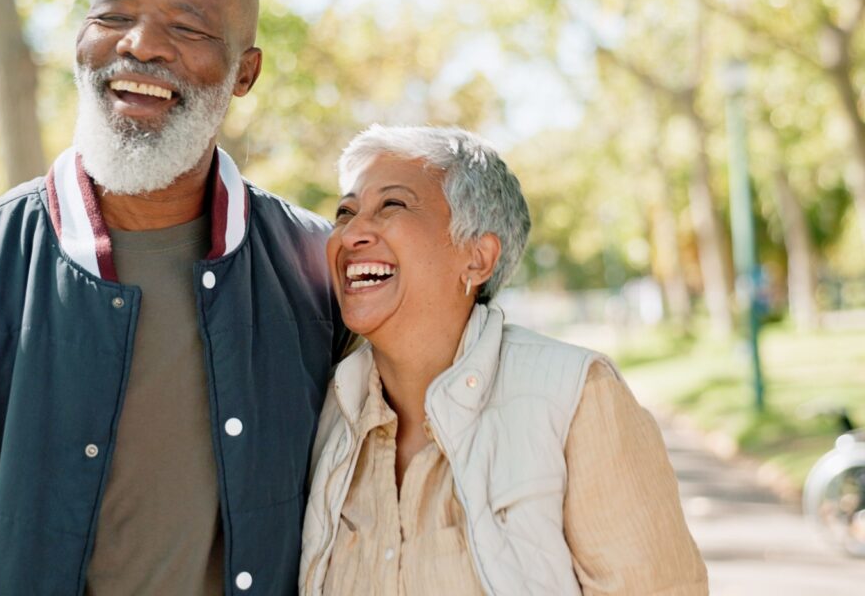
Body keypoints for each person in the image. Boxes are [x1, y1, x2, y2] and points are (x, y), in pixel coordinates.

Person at [0, 0, 351, 594]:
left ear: (244, 73)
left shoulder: (321, 278)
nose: (140, 44)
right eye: (113, 16)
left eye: (187, 27)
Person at [300, 125, 709, 595]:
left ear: (477, 259)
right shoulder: (326, 408)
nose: (352, 233)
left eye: (391, 205)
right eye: (345, 212)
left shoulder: (577, 396)